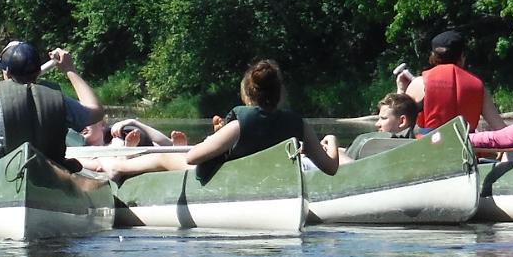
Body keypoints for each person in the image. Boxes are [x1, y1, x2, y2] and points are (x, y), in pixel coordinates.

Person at [102, 60, 339, 181]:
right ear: (280, 93)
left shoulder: (238, 126)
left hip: (236, 181)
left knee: (163, 156)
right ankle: (120, 165)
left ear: (247, 93)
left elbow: (192, 157)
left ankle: (118, 167)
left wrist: (214, 139)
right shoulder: (299, 125)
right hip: (273, 183)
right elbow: (330, 168)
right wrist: (332, 140)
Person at [0, 41, 102, 169]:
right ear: (38, 72)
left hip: (2, 177)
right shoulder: (59, 102)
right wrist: (69, 69)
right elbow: (96, 112)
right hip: (49, 175)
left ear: (7, 72)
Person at [396, 30, 509, 133]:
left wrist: (401, 90)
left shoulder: (419, 83)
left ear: (433, 56)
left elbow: (398, 123)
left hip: (428, 150)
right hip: (465, 151)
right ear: (462, 56)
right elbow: (501, 129)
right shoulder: (478, 86)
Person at [320, 92, 420, 165]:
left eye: (383, 118)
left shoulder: (389, 144)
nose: (377, 124)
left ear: (402, 121)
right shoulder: (389, 145)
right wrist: (328, 149)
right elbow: (349, 153)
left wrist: (332, 142)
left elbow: (354, 168)